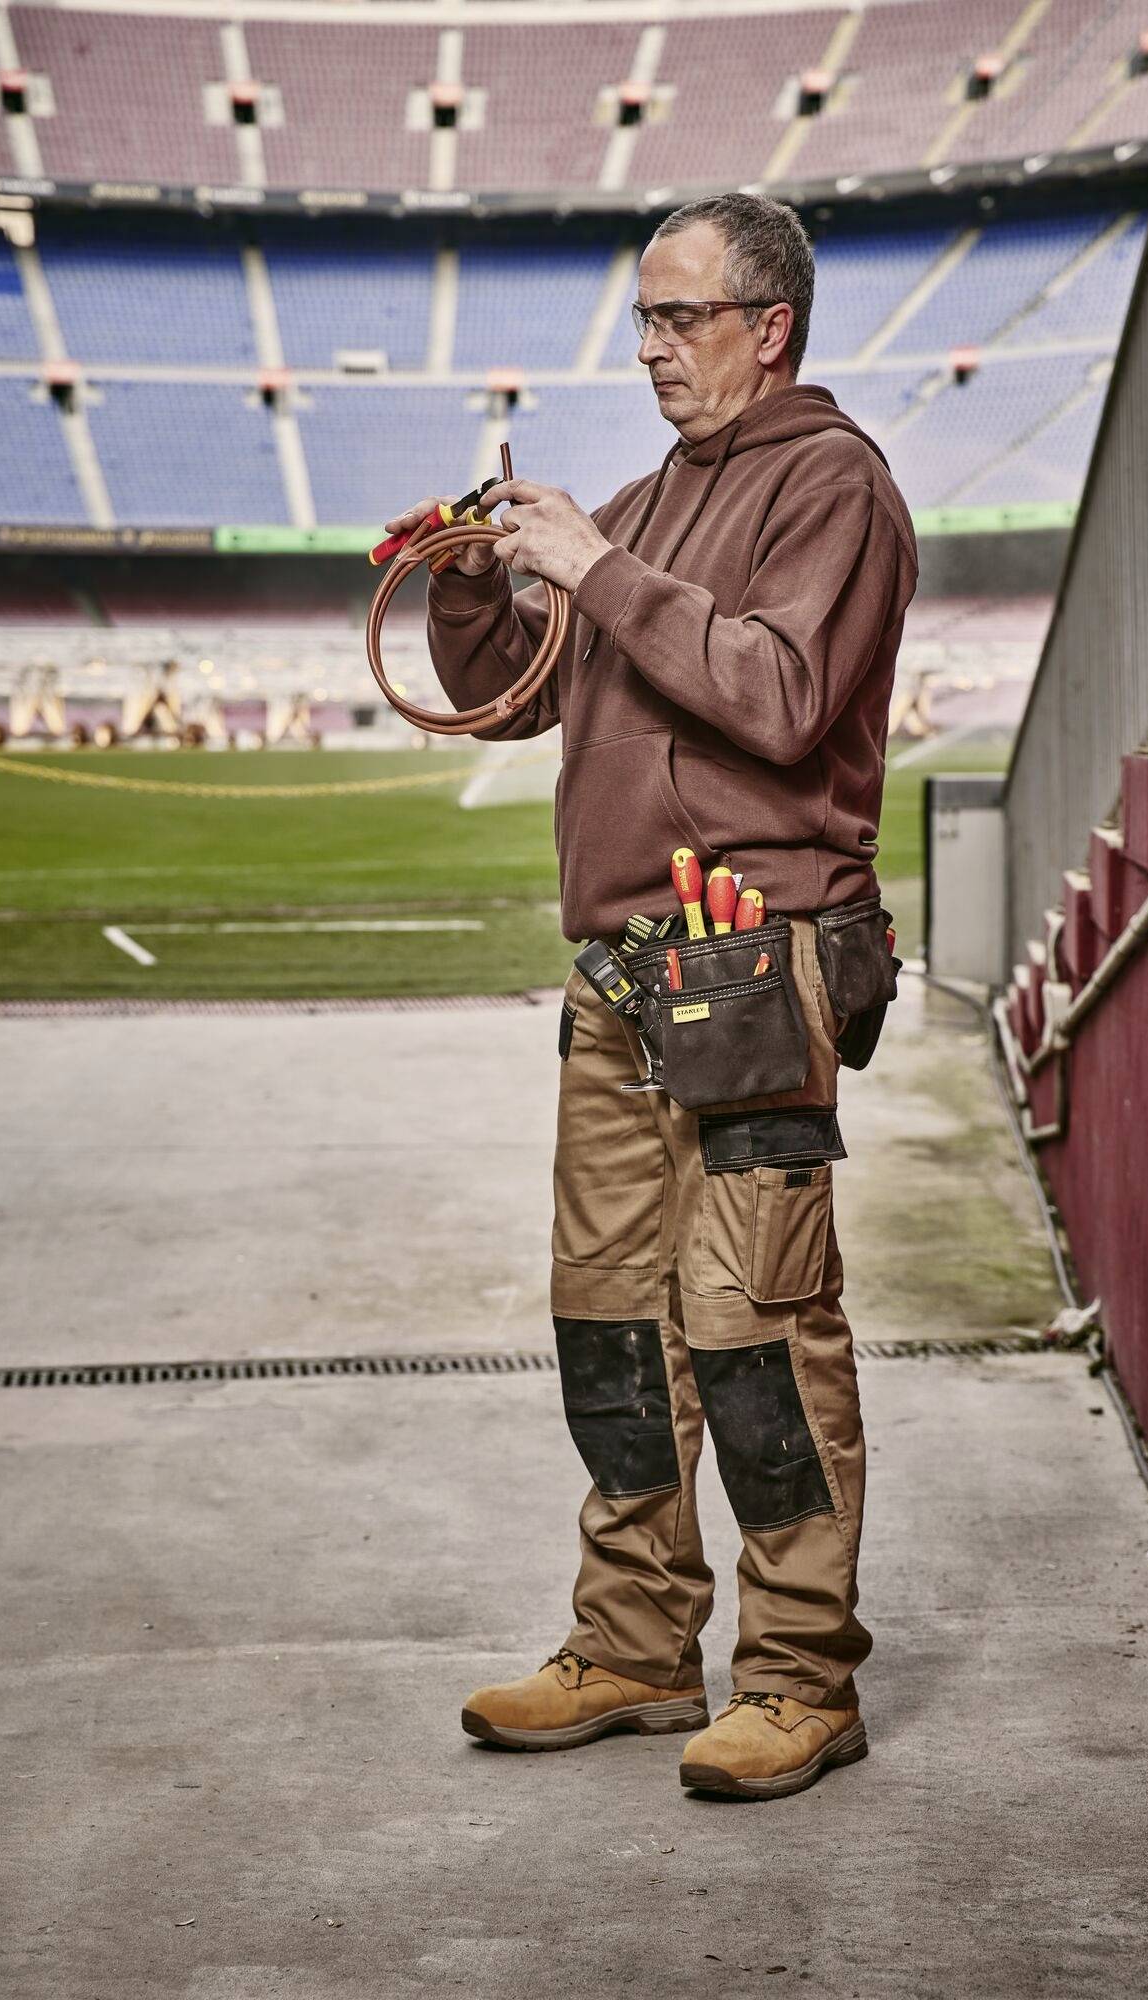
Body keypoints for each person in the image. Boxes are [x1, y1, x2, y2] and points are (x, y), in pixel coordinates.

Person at [385, 191, 918, 1800]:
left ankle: (800, 1675)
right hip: (622, 983)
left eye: (682, 317)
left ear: (771, 326)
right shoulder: (647, 496)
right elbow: (503, 697)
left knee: (755, 1329)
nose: (652, 347)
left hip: (757, 971)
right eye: (644, 317)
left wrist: (600, 565)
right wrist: (473, 578)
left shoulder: (836, 486)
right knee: (612, 1325)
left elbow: (780, 694)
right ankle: (629, 1648)